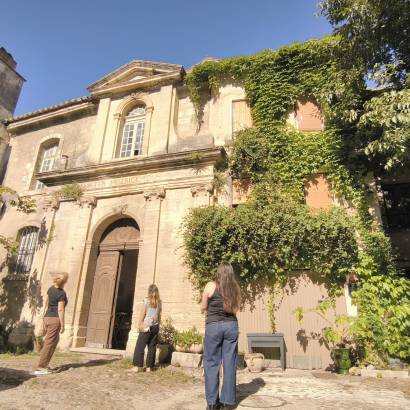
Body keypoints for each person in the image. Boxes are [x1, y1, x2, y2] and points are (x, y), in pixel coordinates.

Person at [201, 262, 241, 410]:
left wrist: (205, 305)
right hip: (231, 326)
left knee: (211, 363)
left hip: (213, 326)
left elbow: (204, 306)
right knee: (230, 362)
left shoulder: (210, 285)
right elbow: (236, 309)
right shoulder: (235, 288)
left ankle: (212, 403)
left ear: (219, 272)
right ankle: (228, 402)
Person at [34, 272, 69, 375]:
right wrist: (62, 324)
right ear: (64, 281)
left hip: (47, 317)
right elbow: (61, 310)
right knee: (50, 343)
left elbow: (46, 304)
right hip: (55, 319)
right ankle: (41, 366)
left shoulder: (50, 289)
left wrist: (43, 316)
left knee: (54, 341)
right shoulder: (61, 293)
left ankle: (45, 362)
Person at [132, 284, 162, 372]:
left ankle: (137, 366)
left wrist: (139, 325)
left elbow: (142, 314)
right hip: (155, 326)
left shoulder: (146, 301)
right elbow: (159, 315)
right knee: (152, 347)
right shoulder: (159, 302)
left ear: (149, 291)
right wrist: (157, 325)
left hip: (146, 325)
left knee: (140, 346)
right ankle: (149, 367)